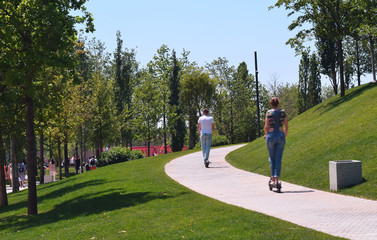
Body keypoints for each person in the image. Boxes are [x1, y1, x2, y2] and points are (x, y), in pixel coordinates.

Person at [264, 97, 288, 187]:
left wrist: (266, 135)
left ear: (271, 104)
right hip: (280, 135)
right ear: (278, 103)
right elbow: (286, 125)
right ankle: (277, 178)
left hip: (271, 135)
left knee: (272, 158)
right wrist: (284, 135)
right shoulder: (282, 113)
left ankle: (272, 179)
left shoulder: (269, 113)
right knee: (278, 158)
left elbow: (266, 126)